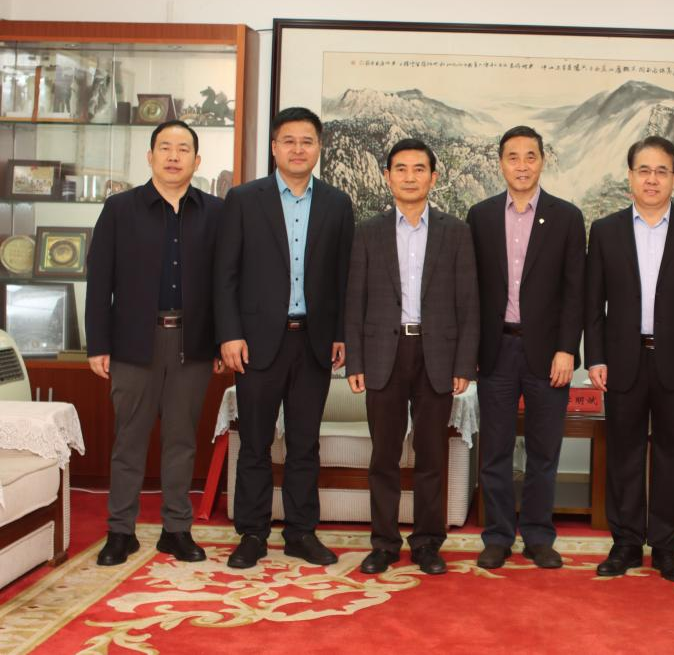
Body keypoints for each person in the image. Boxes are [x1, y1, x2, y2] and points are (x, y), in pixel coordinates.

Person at [214, 106, 355, 569]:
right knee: (255, 443)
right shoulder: (244, 199)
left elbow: (343, 277)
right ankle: (252, 534)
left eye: (307, 141)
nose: (298, 149)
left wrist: (340, 334)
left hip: (313, 341)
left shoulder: (337, 203)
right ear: (274, 147)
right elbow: (225, 274)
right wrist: (229, 334)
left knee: (304, 443)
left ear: (319, 148)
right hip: (256, 342)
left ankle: (300, 532)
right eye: (289, 141)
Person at [86, 120, 224, 566]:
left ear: (197, 161)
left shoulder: (215, 212)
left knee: (182, 440)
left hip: (192, 342)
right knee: (129, 439)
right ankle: (120, 531)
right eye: (165, 147)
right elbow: (99, 281)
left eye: (183, 149)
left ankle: (176, 529)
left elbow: (226, 284)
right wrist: (97, 344)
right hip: (132, 342)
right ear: (150, 157)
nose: (173, 156)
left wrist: (221, 342)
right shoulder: (119, 209)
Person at [584, 136, 674, 582]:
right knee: (623, 454)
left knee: (672, 454)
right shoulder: (605, 230)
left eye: (662, 171)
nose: (652, 179)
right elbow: (593, 303)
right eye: (644, 170)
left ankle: (666, 546)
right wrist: (595, 357)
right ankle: (625, 543)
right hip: (622, 359)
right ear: (630, 176)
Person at [345, 138, 479, 576]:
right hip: (383, 352)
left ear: (433, 177)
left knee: (431, 454)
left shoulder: (455, 232)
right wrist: (356, 362)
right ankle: (384, 543)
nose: (409, 176)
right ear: (387, 177)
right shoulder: (368, 232)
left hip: (436, 354)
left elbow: (469, 303)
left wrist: (464, 364)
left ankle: (427, 543)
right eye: (400, 169)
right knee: (383, 455)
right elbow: (355, 300)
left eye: (418, 169)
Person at [467, 125, 585, 570]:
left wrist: (567, 349)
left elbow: (575, 291)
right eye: (512, 157)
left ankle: (538, 535)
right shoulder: (480, 216)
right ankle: (497, 536)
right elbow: (470, 290)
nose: (521, 165)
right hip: (495, 350)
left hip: (547, 353)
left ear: (542, 161)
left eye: (530, 156)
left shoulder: (566, 217)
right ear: (501, 163)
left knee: (544, 451)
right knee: (494, 451)